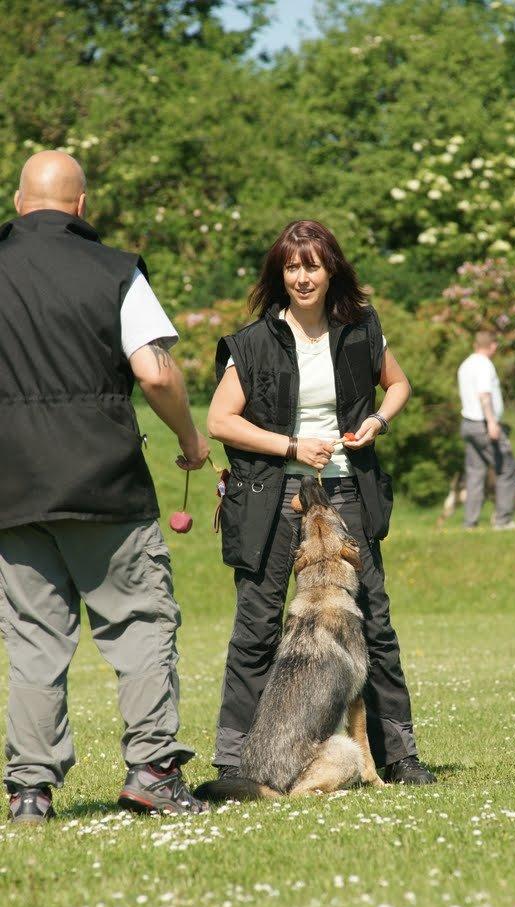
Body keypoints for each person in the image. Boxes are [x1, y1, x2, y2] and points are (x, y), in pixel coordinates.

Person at [0, 151, 210, 822]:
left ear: (17, 201)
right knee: (141, 623)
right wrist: (189, 439)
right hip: (105, 483)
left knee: (33, 638)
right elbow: (153, 371)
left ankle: (30, 791)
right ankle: (152, 771)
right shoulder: (115, 268)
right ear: (83, 206)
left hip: (12, 488)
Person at [205, 220, 436, 787]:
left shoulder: (361, 331)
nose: (302, 277)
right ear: (279, 274)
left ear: (331, 270)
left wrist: (377, 420)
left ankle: (398, 754)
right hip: (272, 497)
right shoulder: (254, 341)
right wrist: (289, 446)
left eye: (312, 265)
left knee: (374, 624)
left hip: (347, 490)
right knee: (257, 630)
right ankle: (236, 764)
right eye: (292, 266)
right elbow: (219, 421)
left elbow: (399, 385)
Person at [457, 330, 515, 531]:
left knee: (476, 473)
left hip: (468, 424)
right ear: (492, 345)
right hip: (483, 424)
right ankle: (503, 521)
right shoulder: (485, 365)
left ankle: (470, 523)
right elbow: (484, 395)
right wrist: (493, 423)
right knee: (507, 469)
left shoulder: (466, 364)